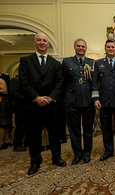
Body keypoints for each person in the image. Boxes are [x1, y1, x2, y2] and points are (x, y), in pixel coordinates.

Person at [19, 33, 66, 175]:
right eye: (39, 40)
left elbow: (60, 83)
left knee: (54, 133)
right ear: (34, 42)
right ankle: (35, 161)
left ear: (48, 44)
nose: (42, 42)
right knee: (33, 135)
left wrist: (51, 98)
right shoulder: (26, 61)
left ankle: (56, 157)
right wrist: (36, 97)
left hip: (52, 105)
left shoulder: (55, 63)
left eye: (44, 40)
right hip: (33, 105)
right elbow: (23, 82)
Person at [92, 40, 115, 161]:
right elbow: (94, 82)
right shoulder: (98, 63)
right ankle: (108, 151)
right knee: (106, 128)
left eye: (113, 47)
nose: (111, 49)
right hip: (104, 101)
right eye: (108, 47)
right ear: (105, 49)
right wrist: (96, 99)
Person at [62, 38, 95, 165]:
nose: (81, 48)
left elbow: (94, 83)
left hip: (88, 101)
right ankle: (77, 154)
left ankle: (87, 153)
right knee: (74, 130)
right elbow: (64, 81)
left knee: (88, 130)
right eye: (78, 46)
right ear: (74, 47)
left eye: (83, 46)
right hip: (71, 101)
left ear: (86, 48)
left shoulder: (92, 63)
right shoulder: (67, 62)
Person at [9, 75, 27, 152]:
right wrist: (24, 98)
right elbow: (12, 92)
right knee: (20, 126)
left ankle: (26, 142)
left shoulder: (26, 80)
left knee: (26, 125)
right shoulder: (15, 80)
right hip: (19, 106)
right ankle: (17, 145)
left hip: (26, 107)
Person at [0, 78, 11, 150]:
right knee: (4, 123)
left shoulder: (0, 80)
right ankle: (6, 141)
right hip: (2, 103)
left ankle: (1, 143)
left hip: (2, 103)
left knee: (2, 123)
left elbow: (5, 91)